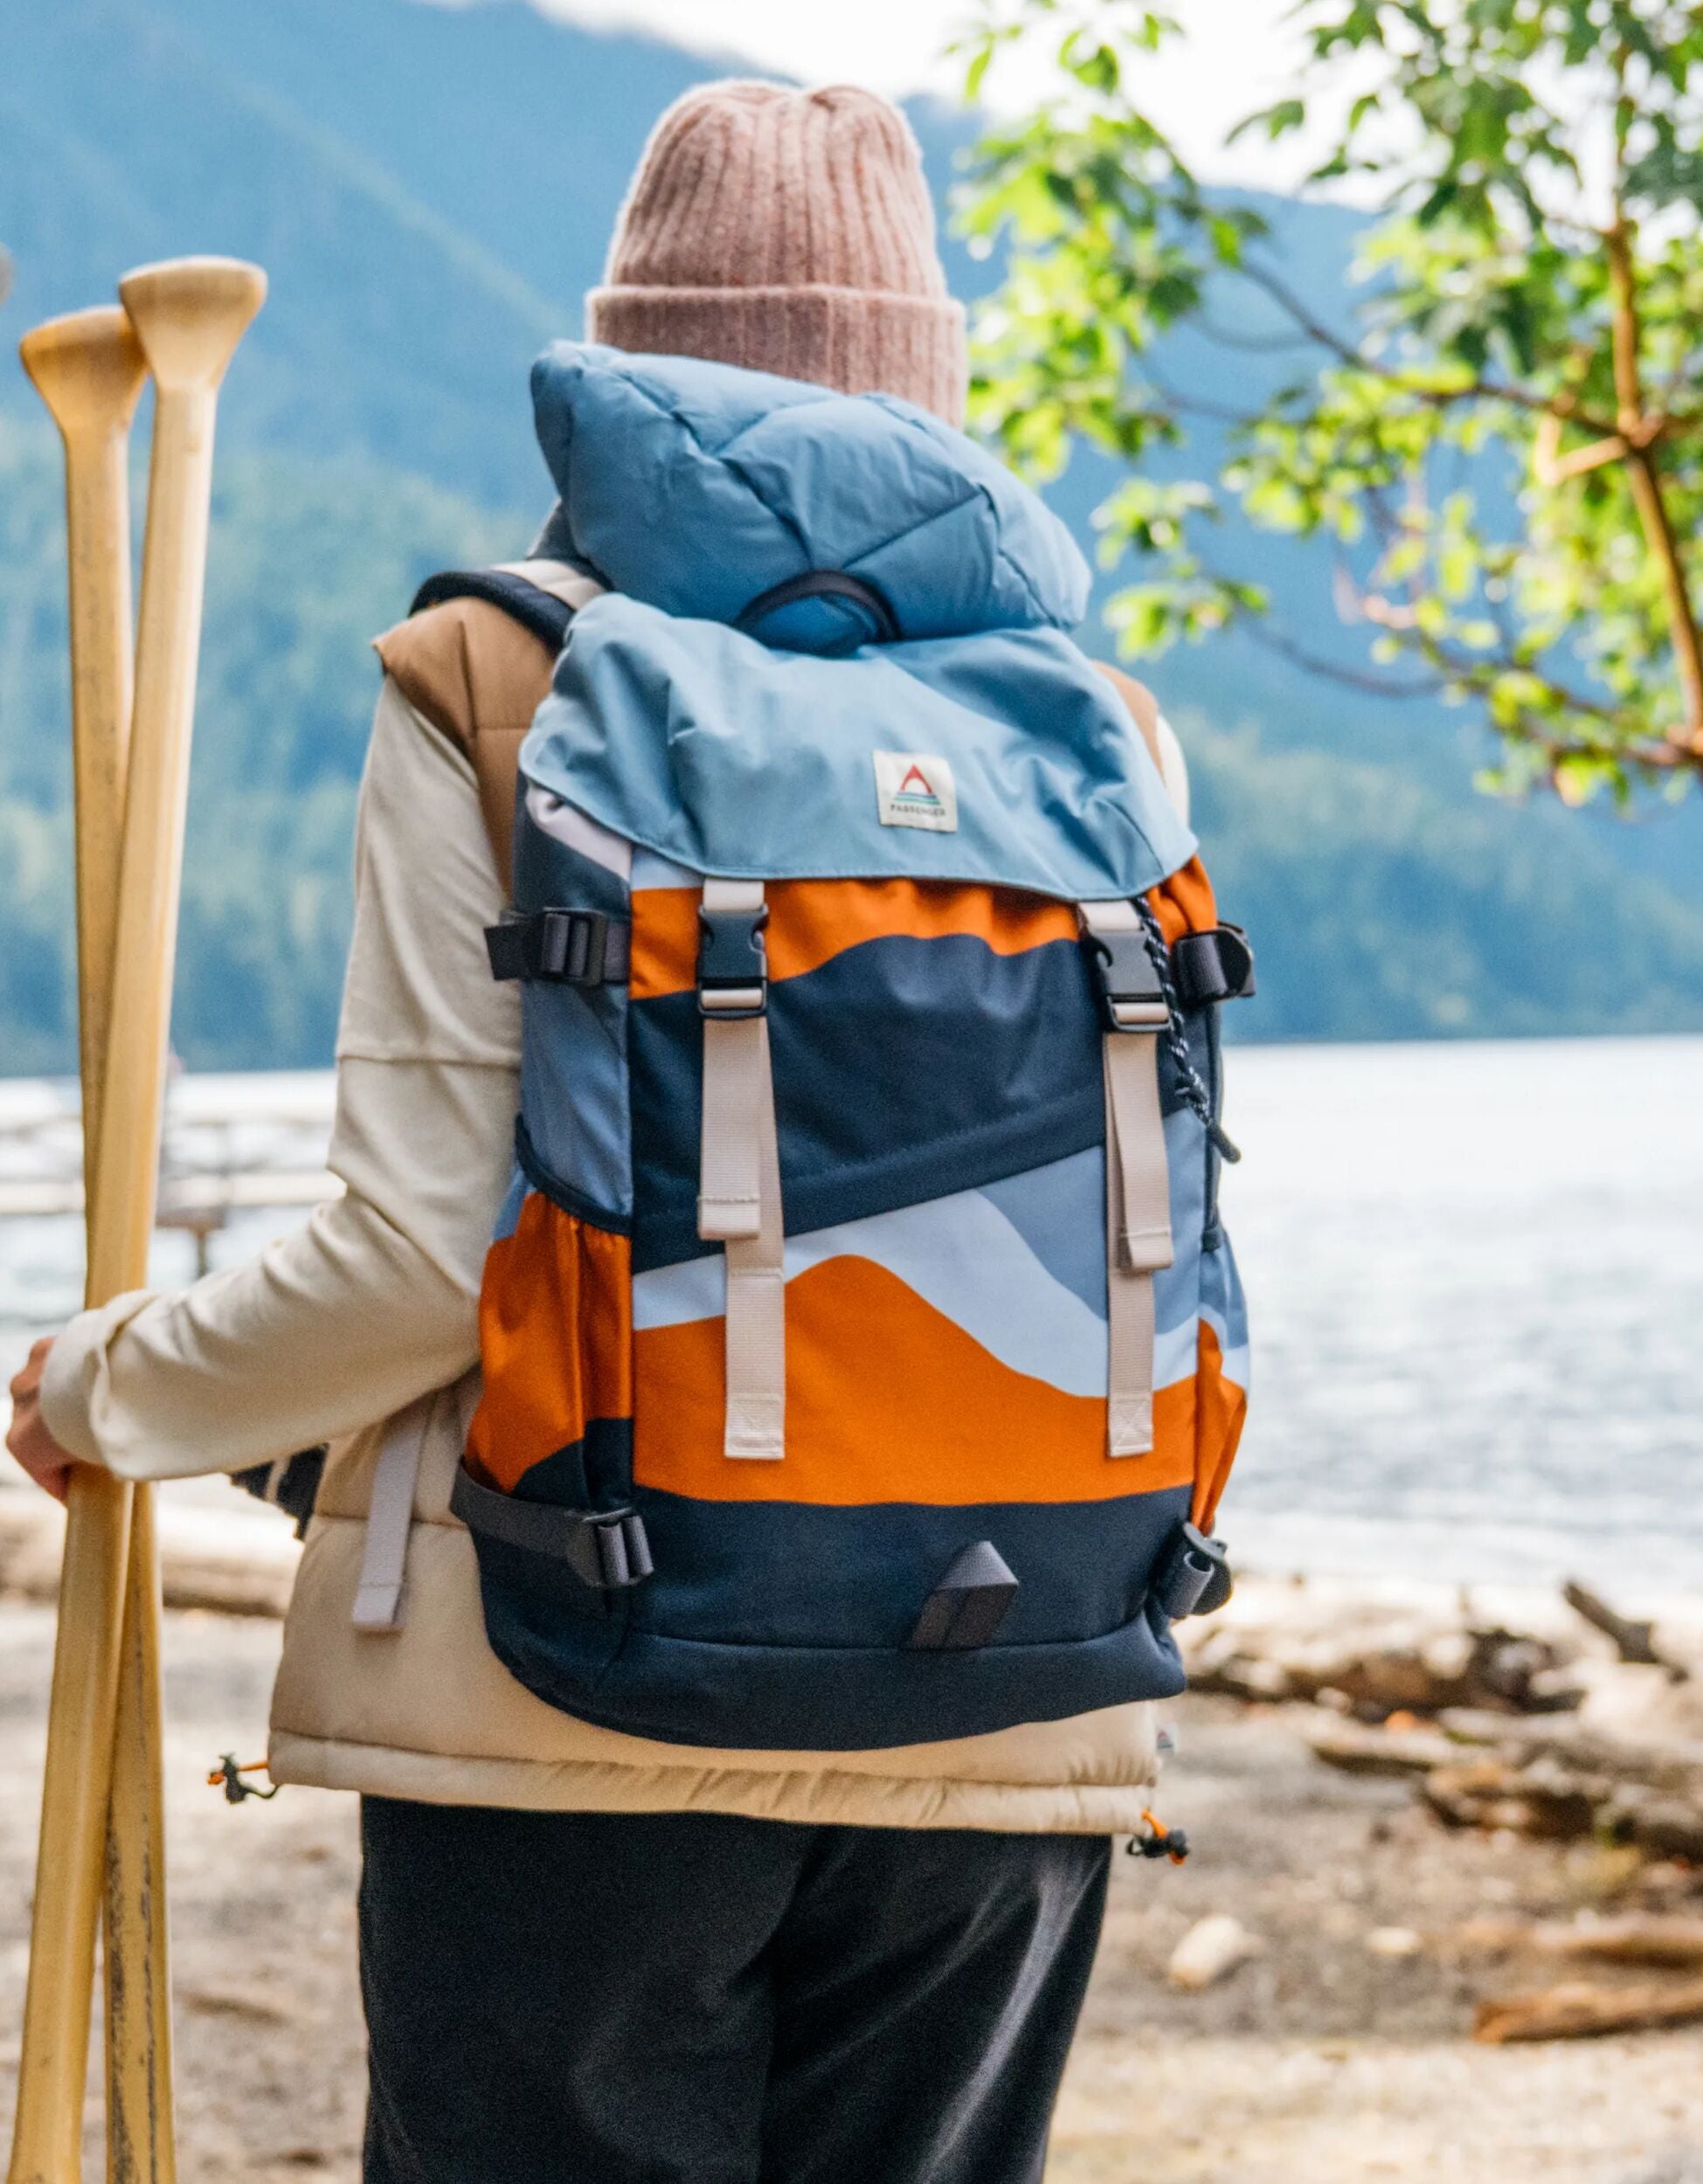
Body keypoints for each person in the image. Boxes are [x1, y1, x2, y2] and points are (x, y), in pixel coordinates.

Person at [9, 81, 1206, 2184]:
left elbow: (411, 1260)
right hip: (1022, 1688)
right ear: (929, 372)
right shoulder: (1093, 728)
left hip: (573, 1702)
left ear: (621, 365)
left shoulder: (497, 676)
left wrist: (108, 1382)